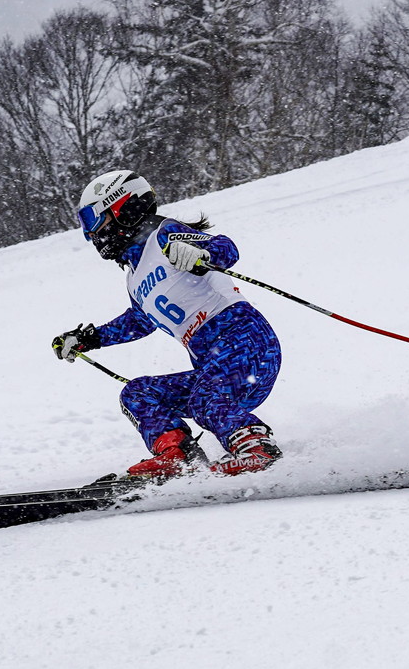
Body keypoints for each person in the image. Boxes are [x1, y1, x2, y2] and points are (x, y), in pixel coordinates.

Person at [52, 170, 283, 479]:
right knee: (138, 394)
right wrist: (89, 339)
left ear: (123, 208)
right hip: (213, 365)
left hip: (246, 342)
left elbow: (226, 248)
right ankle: (178, 456)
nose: (92, 234)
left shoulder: (164, 234)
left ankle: (257, 447)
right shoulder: (134, 277)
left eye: (94, 220)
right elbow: (139, 321)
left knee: (206, 398)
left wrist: (202, 253)